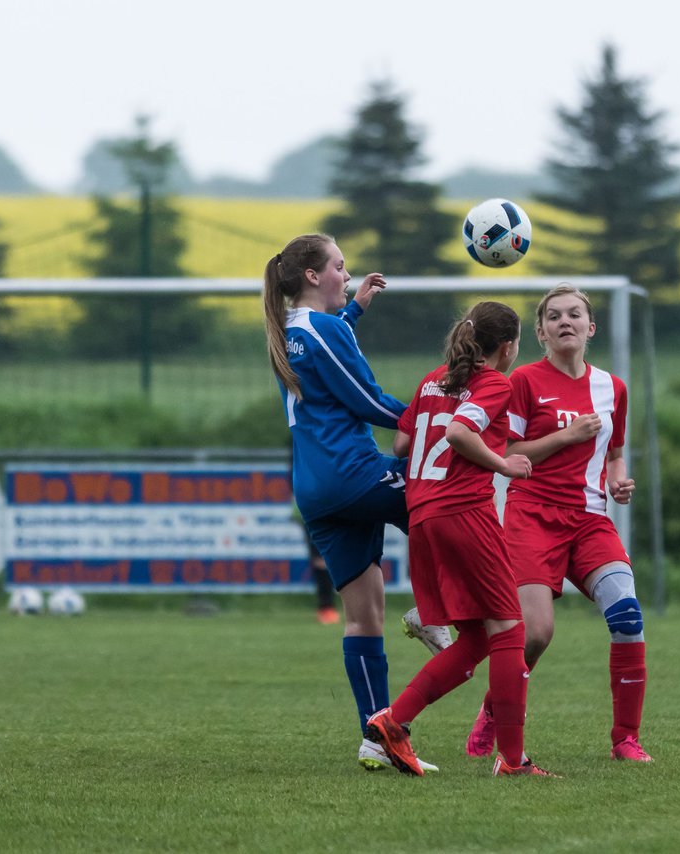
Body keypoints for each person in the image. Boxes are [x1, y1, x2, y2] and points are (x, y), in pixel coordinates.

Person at [262, 233, 438, 773]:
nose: (347, 273)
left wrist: (356, 308)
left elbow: (329, 356)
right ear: (314, 276)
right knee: (445, 508)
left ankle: (374, 736)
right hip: (353, 473)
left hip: (315, 490)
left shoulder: (292, 329)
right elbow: (364, 398)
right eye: (340, 266)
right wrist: (431, 417)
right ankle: (434, 610)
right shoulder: (320, 330)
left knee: (363, 617)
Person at [454, 284, 652, 763]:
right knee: (535, 633)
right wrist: (566, 435)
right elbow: (507, 452)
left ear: (591, 327)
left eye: (575, 314)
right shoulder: (522, 380)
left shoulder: (613, 388)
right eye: (555, 316)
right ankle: (493, 710)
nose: (566, 321)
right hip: (532, 516)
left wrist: (619, 482)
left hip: (589, 520)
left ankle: (625, 739)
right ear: (540, 331)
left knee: (627, 617)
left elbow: (616, 456)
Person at [364, 302, 557, 777]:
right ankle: (513, 761)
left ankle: (394, 721)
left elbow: (403, 446)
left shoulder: (434, 378)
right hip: (464, 511)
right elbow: (457, 432)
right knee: (510, 631)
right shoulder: (494, 381)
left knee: (476, 637)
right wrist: (503, 464)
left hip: (424, 515)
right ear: (509, 346)